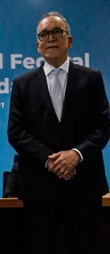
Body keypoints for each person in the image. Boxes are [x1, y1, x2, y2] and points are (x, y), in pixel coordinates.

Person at [7, 11, 110, 254]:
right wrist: (51, 160)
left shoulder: (92, 78)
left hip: (84, 187)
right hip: (39, 190)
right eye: (44, 34)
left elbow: (103, 125)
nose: (50, 38)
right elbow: (15, 131)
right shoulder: (23, 84)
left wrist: (76, 154)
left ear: (69, 41)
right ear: (38, 45)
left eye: (57, 32)